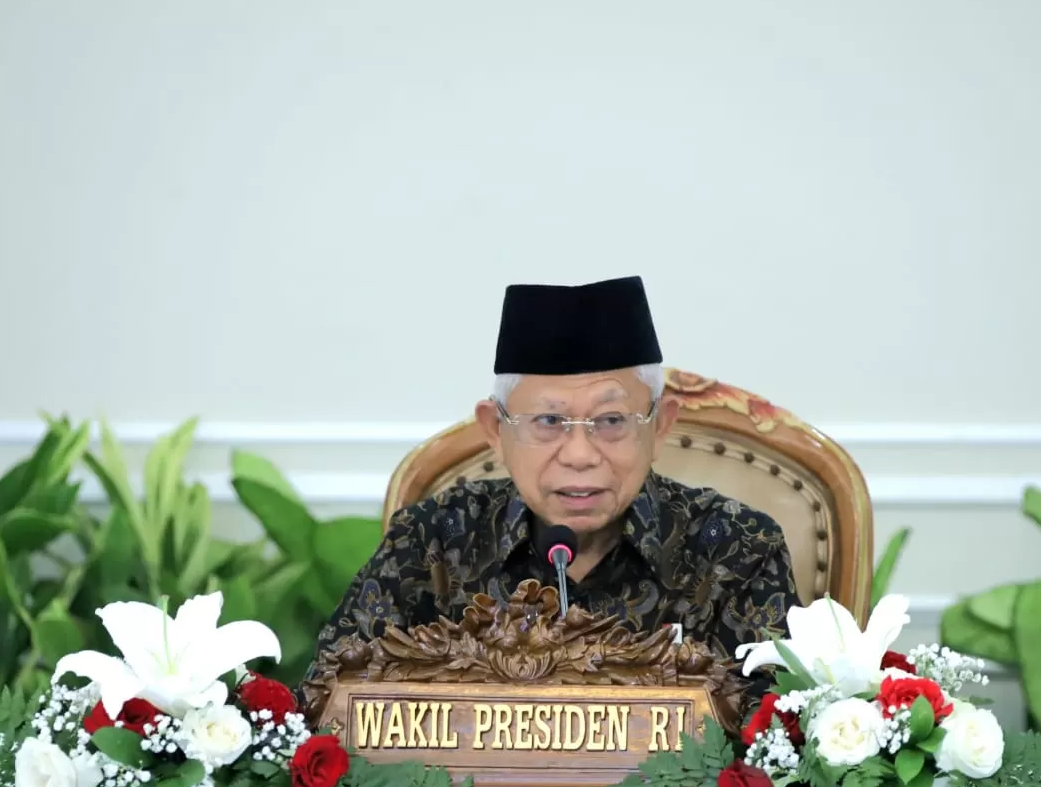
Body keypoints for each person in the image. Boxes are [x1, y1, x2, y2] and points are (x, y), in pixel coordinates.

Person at [301, 275, 798, 714]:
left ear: (659, 427)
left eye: (610, 421)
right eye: (548, 421)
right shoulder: (436, 537)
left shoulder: (736, 546)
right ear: (495, 430)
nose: (579, 454)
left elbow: (778, 735)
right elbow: (328, 698)